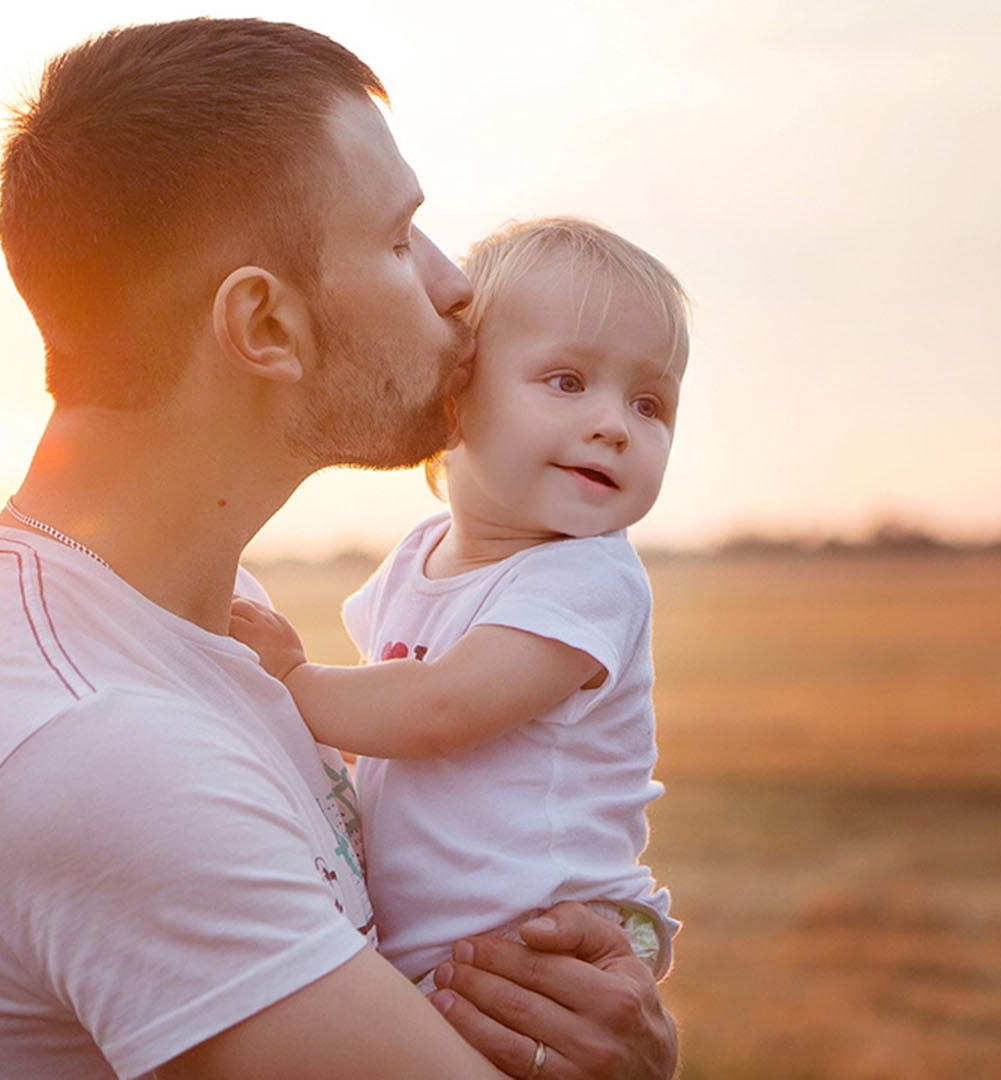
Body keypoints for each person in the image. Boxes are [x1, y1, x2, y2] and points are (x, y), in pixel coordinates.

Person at [0, 18, 677, 1080]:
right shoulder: (98, 749)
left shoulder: (194, 611)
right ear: (265, 326)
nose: (456, 286)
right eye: (396, 241)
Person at [228, 217, 688, 993]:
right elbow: (382, 729)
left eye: (650, 404)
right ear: (453, 399)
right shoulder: (417, 558)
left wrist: (295, 684)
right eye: (568, 382)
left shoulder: (587, 577)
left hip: (542, 955)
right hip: (439, 956)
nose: (614, 425)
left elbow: (440, 710)